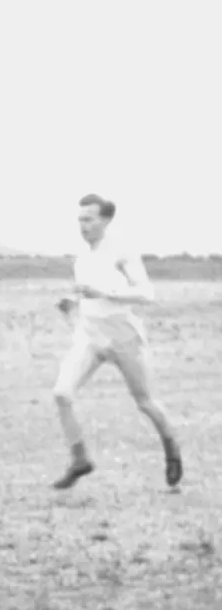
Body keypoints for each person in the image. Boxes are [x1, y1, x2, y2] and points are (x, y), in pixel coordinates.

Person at [51, 194, 183, 491]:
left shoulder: (122, 252)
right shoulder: (82, 257)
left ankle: (172, 448)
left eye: (89, 219)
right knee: (61, 393)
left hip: (123, 335)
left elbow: (146, 294)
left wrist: (106, 293)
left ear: (106, 220)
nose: (82, 225)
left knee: (145, 402)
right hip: (90, 335)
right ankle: (79, 458)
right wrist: (72, 302)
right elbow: (89, 295)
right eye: (80, 220)